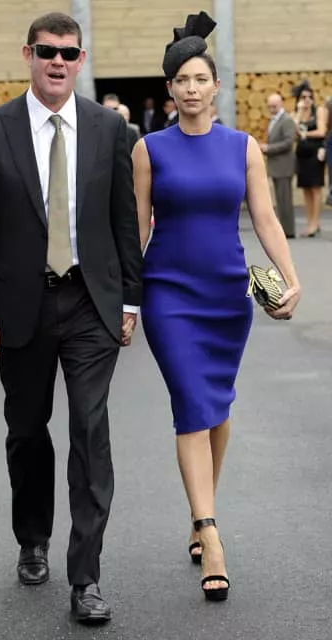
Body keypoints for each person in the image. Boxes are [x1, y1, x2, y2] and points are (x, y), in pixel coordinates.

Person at [0, 11, 142, 624]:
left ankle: (85, 578)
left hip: (91, 302)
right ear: (28, 55)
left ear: (81, 60)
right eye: (46, 52)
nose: (57, 61)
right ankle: (32, 537)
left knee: (90, 431)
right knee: (27, 432)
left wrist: (130, 299)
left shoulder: (109, 129)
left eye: (68, 52)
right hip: (22, 304)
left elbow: (123, 219)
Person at [132, 10, 301, 602]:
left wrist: (290, 278)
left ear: (216, 86)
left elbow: (266, 218)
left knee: (217, 408)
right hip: (168, 296)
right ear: (170, 89)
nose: (192, 88)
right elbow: (138, 229)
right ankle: (210, 532)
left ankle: (198, 510)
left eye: (200, 79)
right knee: (191, 405)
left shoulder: (244, 147)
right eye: (182, 80)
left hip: (229, 297)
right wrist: (127, 299)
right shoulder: (149, 149)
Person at [291, 80, 327, 237]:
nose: (307, 100)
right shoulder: (296, 113)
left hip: (315, 154)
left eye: (309, 96)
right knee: (306, 188)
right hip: (302, 155)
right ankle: (310, 221)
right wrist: (299, 112)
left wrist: (305, 134)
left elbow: (321, 131)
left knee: (315, 187)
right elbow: (293, 132)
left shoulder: (318, 111)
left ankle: (315, 222)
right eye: (303, 97)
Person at [260, 93, 296, 238]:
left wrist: (269, 148)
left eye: (274, 106)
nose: (271, 109)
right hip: (277, 165)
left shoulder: (286, 120)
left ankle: (288, 231)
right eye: (269, 106)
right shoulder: (274, 120)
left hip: (284, 166)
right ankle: (283, 229)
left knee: (285, 200)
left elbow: (288, 142)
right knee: (280, 201)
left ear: (281, 104)